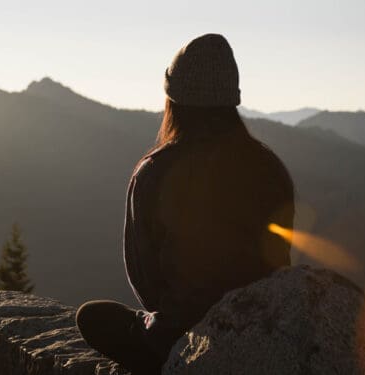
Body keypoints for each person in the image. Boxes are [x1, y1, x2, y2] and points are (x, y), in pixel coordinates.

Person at [75, 34, 295, 374]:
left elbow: (145, 277)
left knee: (92, 316)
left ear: (173, 101)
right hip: (261, 326)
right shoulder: (269, 169)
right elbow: (280, 259)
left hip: (182, 336)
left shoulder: (154, 172)